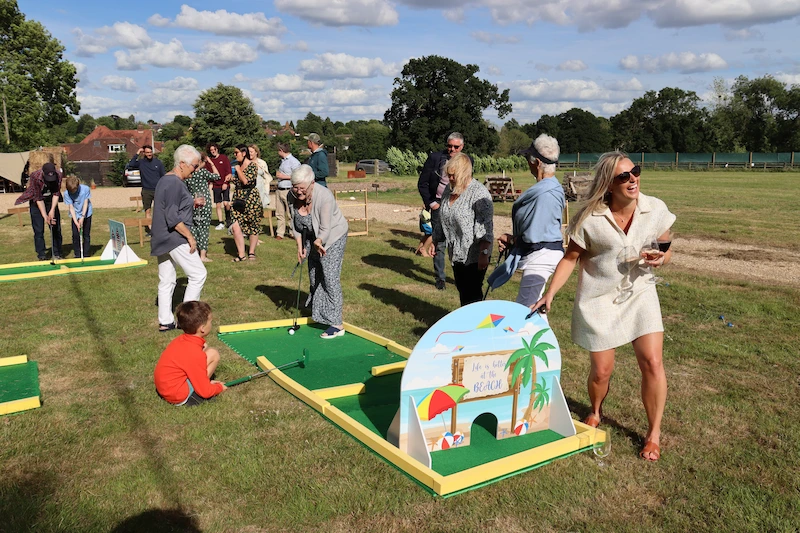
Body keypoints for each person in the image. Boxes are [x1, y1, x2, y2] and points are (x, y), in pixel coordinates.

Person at [531, 152, 675, 462]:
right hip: (598, 300)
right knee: (601, 371)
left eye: (634, 171)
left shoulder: (654, 208)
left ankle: (654, 434)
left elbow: (666, 245)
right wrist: (550, 294)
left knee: (652, 362)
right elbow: (571, 258)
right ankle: (595, 410)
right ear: (608, 184)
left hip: (640, 293)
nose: (633, 178)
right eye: (624, 176)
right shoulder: (591, 219)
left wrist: (661, 258)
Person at [489, 134, 565, 305]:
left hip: (541, 256)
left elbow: (534, 237)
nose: (527, 162)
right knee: (533, 310)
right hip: (542, 253)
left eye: (528, 158)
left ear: (537, 162)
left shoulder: (546, 194)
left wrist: (512, 240)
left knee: (526, 311)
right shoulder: (549, 188)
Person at [151, 144, 208, 332]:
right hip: (174, 238)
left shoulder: (165, 180)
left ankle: (165, 321)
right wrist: (190, 237)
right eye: (194, 166)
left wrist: (191, 203)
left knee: (167, 280)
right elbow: (173, 218)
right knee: (198, 274)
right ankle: (189, 320)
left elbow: (171, 206)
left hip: (161, 238)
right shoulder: (175, 182)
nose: (196, 169)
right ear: (182, 164)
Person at [290, 164, 348, 339]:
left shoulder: (324, 196)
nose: (298, 192)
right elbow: (295, 224)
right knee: (315, 275)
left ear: (312, 184)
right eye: (295, 187)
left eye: (302, 188)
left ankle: (337, 323)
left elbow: (325, 227)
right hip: (311, 238)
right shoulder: (291, 196)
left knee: (329, 277)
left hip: (331, 237)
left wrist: (319, 241)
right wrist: (300, 247)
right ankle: (322, 315)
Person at [428, 152, 493, 306]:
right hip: (456, 253)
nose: (449, 178)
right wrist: (435, 241)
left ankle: (476, 327)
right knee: (463, 291)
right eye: (448, 175)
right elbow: (442, 217)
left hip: (475, 254)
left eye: (453, 175)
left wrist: (484, 253)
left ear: (463, 173)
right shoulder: (448, 191)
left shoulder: (479, 193)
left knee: (472, 295)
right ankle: (467, 326)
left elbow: (486, 227)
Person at [418, 132, 472, 290]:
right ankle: (440, 279)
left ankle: (460, 277)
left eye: (456, 146)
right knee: (439, 243)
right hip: (439, 205)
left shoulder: (467, 161)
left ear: (462, 147)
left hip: (459, 206)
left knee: (460, 243)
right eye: (449, 146)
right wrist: (431, 203)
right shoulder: (435, 158)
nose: (452, 149)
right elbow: (422, 183)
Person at [154, 301, 227, 406]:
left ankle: (201, 383)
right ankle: (196, 392)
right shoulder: (194, 353)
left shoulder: (181, 340)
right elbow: (205, 392)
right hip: (178, 394)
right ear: (202, 328)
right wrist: (219, 388)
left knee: (206, 349)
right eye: (210, 321)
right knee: (214, 354)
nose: (211, 324)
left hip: (166, 387)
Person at [14, 162, 63, 260]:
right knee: (38, 230)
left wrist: (52, 210)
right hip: (36, 203)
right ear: (43, 173)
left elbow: (56, 193)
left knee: (55, 227)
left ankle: (57, 253)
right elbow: (38, 198)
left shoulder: (59, 175)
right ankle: (41, 254)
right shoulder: (35, 177)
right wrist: (45, 216)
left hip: (51, 201)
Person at [229, 144, 263, 261]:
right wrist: (230, 177)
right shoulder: (237, 166)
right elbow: (237, 181)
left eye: (236, 152)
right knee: (235, 225)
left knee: (253, 225)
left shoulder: (253, 166)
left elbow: (246, 181)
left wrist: (238, 170)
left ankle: (252, 252)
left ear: (244, 153)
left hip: (251, 198)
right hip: (238, 197)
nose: (235, 155)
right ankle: (241, 254)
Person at [185, 154, 218, 262]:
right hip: (204, 202)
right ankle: (202, 255)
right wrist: (211, 163)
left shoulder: (188, 175)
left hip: (192, 202)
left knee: (194, 227)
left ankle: (194, 251)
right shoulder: (203, 172)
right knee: (204, 228)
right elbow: (217, 176)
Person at [126, 145, 166, 232]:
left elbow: (163, 176)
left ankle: (161, 229)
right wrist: (137, 153)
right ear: (144, 153)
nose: (149, 154)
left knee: (160, 210)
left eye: (150, 152)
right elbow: (131, 164)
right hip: (146, 190)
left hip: (158, 190)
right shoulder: (141, 163)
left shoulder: (158, 162)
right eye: (147, 152)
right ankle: (151, 230)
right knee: (147, 211)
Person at [274, 142, 301, 240]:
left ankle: (292, 232)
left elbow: (298, 176)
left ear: (281, 150)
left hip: (288, 190)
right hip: (279, 189)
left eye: (278, 150)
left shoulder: (294, 162)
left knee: (290, 213)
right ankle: (280, 233)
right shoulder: (283, 161)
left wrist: (283, 177)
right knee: (279, 212)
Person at [63, 175, 92, 259]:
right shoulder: (66, 194)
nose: (73, 193)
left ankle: (86, 254)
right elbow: (71, 207)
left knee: (86, 234)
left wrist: (82, 217)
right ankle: (77, 254)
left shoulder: (85, 189)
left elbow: (86, 203)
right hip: (75, 214)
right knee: (75, 235)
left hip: (86, 213)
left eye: (74, 191)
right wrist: (76, 221)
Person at [206, 143, 232, 231]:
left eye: (214, 149)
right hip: (216, 185)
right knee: (218, 204)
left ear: (217, 149)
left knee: (226, 203)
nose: (213, 151)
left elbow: (228, 171)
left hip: (225, 184)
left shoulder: (224, 158)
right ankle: (220, 222)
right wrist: (209, 184)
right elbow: (208, 174)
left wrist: (225, 182)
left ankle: (228, 219)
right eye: (211, 150)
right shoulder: (209, 162)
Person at [248, 144, 272, 210]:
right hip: (249, 189)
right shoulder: (245, 163)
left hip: (260, 189)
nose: (249, 154)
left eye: (251, 152)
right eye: (248, 152)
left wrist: (266, 191)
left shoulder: (262, 163)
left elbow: (267, 178)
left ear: (256, 152)